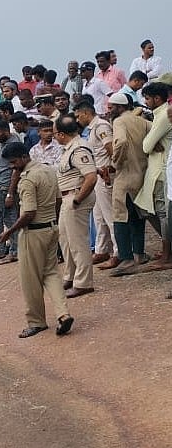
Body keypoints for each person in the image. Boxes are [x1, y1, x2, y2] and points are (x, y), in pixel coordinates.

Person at [0, 142, 74, 339]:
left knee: (30, 280)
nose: (13, 167)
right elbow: (57, 200)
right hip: (50, 227)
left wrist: (10, 231)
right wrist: (52, 221)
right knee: (51, 273)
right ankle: (63, 314)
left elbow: (29, 213)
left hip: (33, 232)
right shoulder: (47, 170)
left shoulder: (28, 180)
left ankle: (36, 321)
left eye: (14, 162)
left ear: (23, 157)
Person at [53, 116, 97, 298]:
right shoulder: (69, 148)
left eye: (55, 133)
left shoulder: (79, 149)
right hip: (68, 197)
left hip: (76, 195)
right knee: (65, 238)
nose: (54, 136)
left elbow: (91, 177)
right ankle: (70, 275)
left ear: (62, 134)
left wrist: (78, 199)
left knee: (78, 241)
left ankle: (84, 282)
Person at [108, 92, 150, 276]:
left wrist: (114, 163)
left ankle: (126, 259)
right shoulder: (143, 121)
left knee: (120, 218)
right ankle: (139, 254)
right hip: (141, 175)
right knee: (137, 217)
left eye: (111, 107)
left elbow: (122, 142)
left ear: (120, 107)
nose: (109, 110)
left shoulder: (119, 122)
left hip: (124, 176)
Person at [74, 102, 117, 268]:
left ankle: (118, 252)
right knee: (99, 217)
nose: (78, 119)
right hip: (96, 174)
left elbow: (111, 149)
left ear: (86, 113)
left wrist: (111, 168)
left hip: (105, 174)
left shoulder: (101, 126)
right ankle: (101, 249)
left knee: (110, 215)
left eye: (79, 115)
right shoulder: (91, 129)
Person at [134, 83, 172, 269]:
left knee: (163, 213)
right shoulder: (158, 114)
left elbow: (146, 146)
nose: (146, 102)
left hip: (161, 170)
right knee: (145, 208)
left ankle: (167, 253)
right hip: (156, 168)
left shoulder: (165, 114)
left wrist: (150, 142)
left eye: (147, 99)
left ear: (157, 98)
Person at [0, 118, 22, 264]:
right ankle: (1, 249)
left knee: (11, 220)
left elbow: (16, 170)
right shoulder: (3, 143)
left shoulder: (13, 144)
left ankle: (15, 251)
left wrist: (10, 193)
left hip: (7, 188)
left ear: (6, 131)